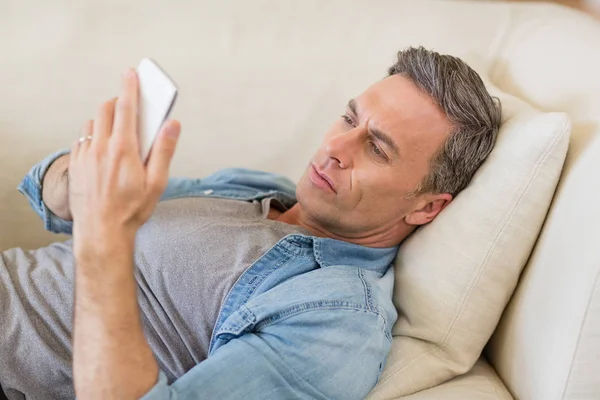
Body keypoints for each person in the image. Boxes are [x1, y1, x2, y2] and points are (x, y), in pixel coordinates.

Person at [0, 47, 501, 400]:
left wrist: (105, 235)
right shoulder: (256, 187)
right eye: (350, 120)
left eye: (376, 147)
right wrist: (83, 178)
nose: (333, 148)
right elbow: (47, 197)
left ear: (427, 208)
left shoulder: (340, 321)